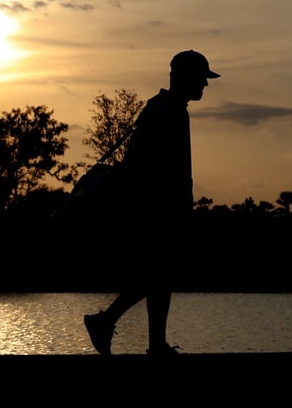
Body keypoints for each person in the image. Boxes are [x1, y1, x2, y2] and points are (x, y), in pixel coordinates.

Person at [83, 49, 220, 356]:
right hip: (157, 208)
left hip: (149, 206)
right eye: (201, 78)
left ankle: (150, 341)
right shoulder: (172, 111)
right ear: (184, 77)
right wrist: (179, 207)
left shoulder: (158, 106)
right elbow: (164, 166)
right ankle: (107, 321)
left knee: (159, 275)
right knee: (158, 274)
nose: (205, 85)